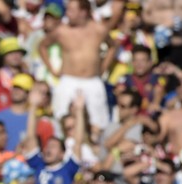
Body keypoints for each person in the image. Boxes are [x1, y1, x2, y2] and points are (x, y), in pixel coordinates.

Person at [39, 0, 122, 131]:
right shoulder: (62, 31)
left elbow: (112, 47)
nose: (67, 14)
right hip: (68, 80)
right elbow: (43, 46)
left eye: (71, 10)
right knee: (61, 118)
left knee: (98, 122)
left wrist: (103, 68)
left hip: (92, 80)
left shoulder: (99, 29)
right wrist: (52, 70)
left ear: (83, 12)